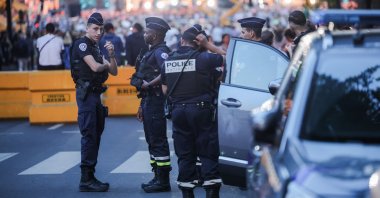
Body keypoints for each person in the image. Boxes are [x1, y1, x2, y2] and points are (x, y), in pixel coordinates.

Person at [161, 24, 226, 198]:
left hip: (178, 113)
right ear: (198, 43)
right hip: (202, 111)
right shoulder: (205, 58)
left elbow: (164, 90)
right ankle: (211, 192)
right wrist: (208, 46)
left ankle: (187, 193)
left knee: (185, 154)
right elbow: (229, 58)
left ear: (182, 40)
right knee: (207, 152)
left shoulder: (168, 60)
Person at [70, 12, 118, 192]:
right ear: (87, 28)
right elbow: (95, 67)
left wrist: (111, 55)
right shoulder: (83, 44)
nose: (99, 32)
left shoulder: (96, 48)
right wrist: (105, 64)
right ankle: (86, 179)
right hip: (87, 95)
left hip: (95, 96)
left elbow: (114, 71)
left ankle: (90, 176)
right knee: (89, 135)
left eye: (101, 29)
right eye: (95, 29)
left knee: (96, 134)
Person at [132, 17, 172, 193]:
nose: (144, 34)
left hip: (156, 102)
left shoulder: (161, 52)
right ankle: (156, 176)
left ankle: (163, 181)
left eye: (147, 32)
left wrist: (149, 85)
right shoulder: (151, 51)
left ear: (155, 35)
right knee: (151, 140)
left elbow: (167, 72)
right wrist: (142, 104)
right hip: (148, 101)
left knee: (158, 140)